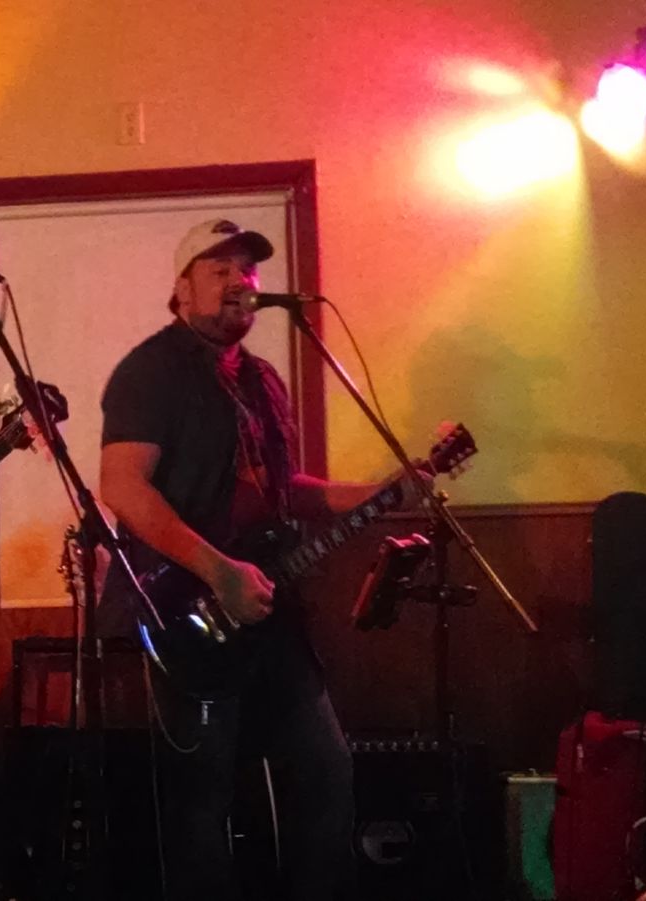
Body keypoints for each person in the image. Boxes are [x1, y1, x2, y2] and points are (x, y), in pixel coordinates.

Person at [97, 219, 429, 900]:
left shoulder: (263, 380)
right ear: (182, 288)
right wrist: (219, 570)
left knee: (326, 774)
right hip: (189, 612)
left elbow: (284, 491)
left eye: (246, 269)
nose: (238, 281)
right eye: (218, 269)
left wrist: (376, 493)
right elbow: (122, 486)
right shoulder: (150, 371)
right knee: (203, 803)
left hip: (273, 611)